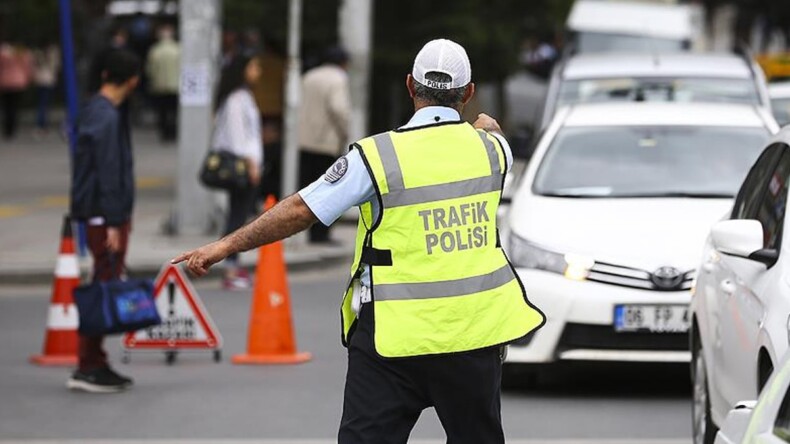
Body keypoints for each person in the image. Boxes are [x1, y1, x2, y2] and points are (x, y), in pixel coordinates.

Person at [174, 39, 545, 443]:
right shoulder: (493, 151)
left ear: (409, 86)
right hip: (473, 337)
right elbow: (490, 128)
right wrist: (485, 123)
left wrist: (225, 246)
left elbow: (301, 209)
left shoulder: (377, 157)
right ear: (469, 92)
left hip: (392, 339)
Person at [68, 49, 141, 393]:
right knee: (103, 285)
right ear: (132, 80)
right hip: (104, 216)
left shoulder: (94, 110)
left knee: (103, 280)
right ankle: (89, 364)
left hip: (99, 213)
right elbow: (109, 172)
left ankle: (94, 360)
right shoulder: (107, 117)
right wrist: (115, 221)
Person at [210, 55, 263, 290]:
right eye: (254, 66)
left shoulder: (242, 96)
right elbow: (237, 137)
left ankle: (232, 264)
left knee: (239, 214)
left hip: (247, 164)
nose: (258, 70)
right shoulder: (236, 99)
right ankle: (230, 267)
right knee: (237, 217)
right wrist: (251, 164)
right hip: (242, 166)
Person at [297, 46, 351, 244]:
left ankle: (311, 232)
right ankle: (321, 234)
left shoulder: (309, 76)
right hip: (326, 142)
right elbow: (339, 108)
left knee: (309, 188)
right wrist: (344, 132)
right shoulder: (338, 78)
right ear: (344, 63)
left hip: (304, 140)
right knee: (329, 190)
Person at [146, 25, 180, 142]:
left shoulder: (155, 51)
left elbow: (150, 70)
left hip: (159, 86)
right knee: (174, 111)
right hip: (175, 85)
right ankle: (173, 131)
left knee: (162, 111)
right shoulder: (178, 50)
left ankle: (165, 132)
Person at [0, 41, 32, 139]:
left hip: (5, 81)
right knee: (14, 107)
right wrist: (28, 78)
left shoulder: (3, 53)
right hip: (18, 81)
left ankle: (7, 129)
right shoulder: (23, 53)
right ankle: (13, 128)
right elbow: (27, 67)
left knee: (7, 106)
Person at [32, 42, 60, 135]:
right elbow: (56, 66)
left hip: (40, 80)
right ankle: (42, 124)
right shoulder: (52, 53)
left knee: (42, 103)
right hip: (48, 80)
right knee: (45, 104)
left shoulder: (38, 54)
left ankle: (41, 124)